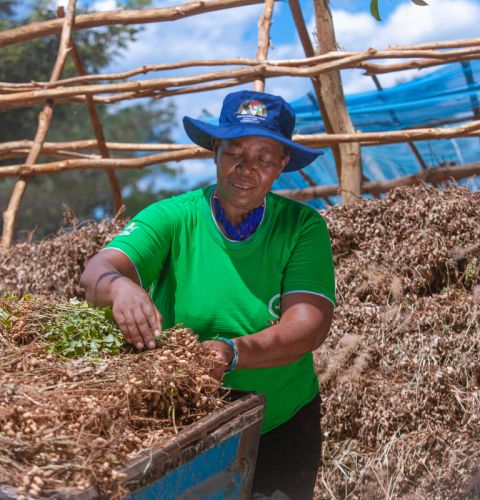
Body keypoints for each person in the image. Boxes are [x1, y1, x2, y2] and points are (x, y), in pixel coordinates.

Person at [80, 90, 335, 499]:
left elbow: (307, 328)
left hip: (280, 420)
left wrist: (230, 353)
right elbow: (98, 271)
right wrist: (120, 286)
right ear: (214, 151)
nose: (246, 169)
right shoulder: (174, 217)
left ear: (282, 165)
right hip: (185, 423)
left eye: (264, 158)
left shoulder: (301, 228)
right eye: (234, 151)